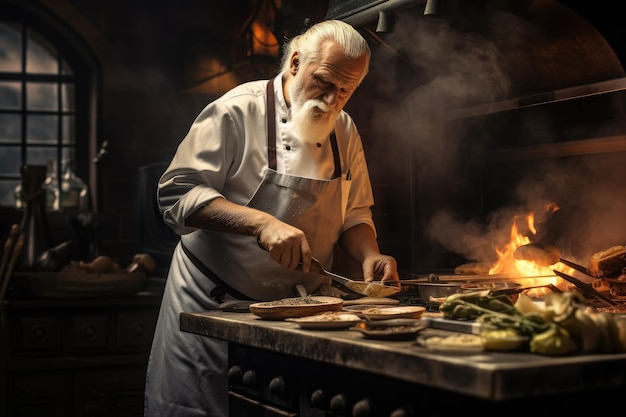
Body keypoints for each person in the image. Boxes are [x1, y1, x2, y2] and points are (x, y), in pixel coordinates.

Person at [144, 19, 400, 417]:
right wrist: (261, 223)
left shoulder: (345, 130)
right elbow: (177, 193)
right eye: (324, 83)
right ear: (295, 63)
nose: (333, 101)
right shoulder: (235, 111)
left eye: (346, 91)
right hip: (216, 309)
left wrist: (370, 254)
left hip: (305, 316)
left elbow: (354, 212)